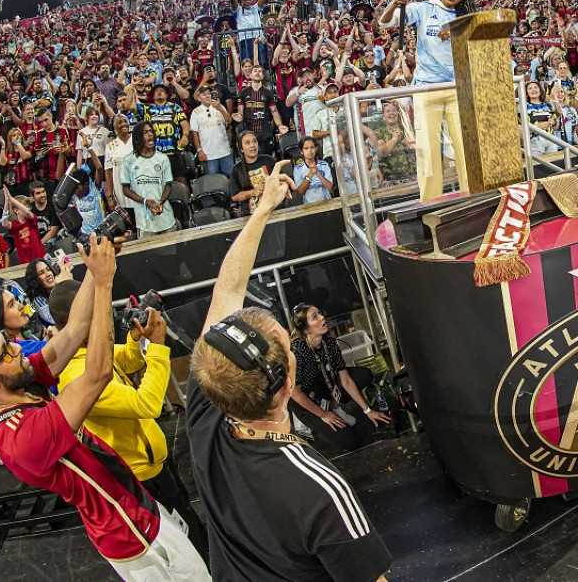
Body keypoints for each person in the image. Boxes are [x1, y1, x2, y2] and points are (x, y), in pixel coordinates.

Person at [0, 235, 210, 581]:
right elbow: (97, 374)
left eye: (8, 344)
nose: (17, 351)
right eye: (4, 353)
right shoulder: (21, 437)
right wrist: (105, 283)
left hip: (134, 502)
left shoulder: (21, 382)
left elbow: (74, 330)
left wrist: (94, 273)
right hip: (131, 535)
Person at [186, 162, 392, 580]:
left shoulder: (205, 415)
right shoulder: (321, 490)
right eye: (284, 339)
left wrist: (261, 211)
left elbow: (226, 290)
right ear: (284, 388)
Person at [49, 281, 211, 563]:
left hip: (152, 460)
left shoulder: (89, 351)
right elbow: (146, 403)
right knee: (181, 539)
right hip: (140, 477)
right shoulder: (77, 375)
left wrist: (136, 341)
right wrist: (158, 347)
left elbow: (125, 361)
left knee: (185, 516)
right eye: (96, 307)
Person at [378, 0, 468, 202]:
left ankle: (472, 195)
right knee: (427, 151)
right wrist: (395, 2)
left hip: (457, 88)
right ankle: (430, 202)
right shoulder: (424, 8)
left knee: (465, 148)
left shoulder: (464, 17)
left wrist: (457, 32)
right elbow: (387, 22)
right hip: (426, 89)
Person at [288, 303, 391, 454]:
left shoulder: (329, 343)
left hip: (325, 385)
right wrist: (324, 414)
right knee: (350, 442)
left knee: (364, 375)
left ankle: (334, 405)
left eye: (320, 313)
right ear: (306, 329)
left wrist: (368, 410)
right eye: (315, 317)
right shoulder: (297, 352)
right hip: (304, 399)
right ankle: (309, 419)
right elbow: (295, 393)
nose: (322, 317)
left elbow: (346, 380)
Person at [121, 121, 177, 239]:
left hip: (165, 219)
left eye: (151, 131)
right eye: (145, 132)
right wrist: (145, 201)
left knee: (171, 255)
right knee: (148, 257)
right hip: (144, 221)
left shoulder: (162, 159)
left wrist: (160, 202)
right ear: (138, 137)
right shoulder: (129, 161)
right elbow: (126, 190)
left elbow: (168, 186)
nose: (150, 134)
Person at [229, 130, 277, 215]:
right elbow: (235, 196)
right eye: (247, 143)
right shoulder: (236, 170)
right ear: (241, 149)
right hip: (251, 215)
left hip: (273, 209)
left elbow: (280, 180)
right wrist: (252, 192)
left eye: (254, 141)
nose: (252, 145)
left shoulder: (268, 160)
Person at [293, 136, 336, 204]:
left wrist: (317, 173)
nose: (309, 150)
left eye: (312, 147)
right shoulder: (298, 168)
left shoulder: (324, 165)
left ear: (316, 149)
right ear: (301, 151)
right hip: (309, 205)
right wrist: (310, 174)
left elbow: (330, 188)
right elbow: (300, 191)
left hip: (326, 203)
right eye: (306, 148)